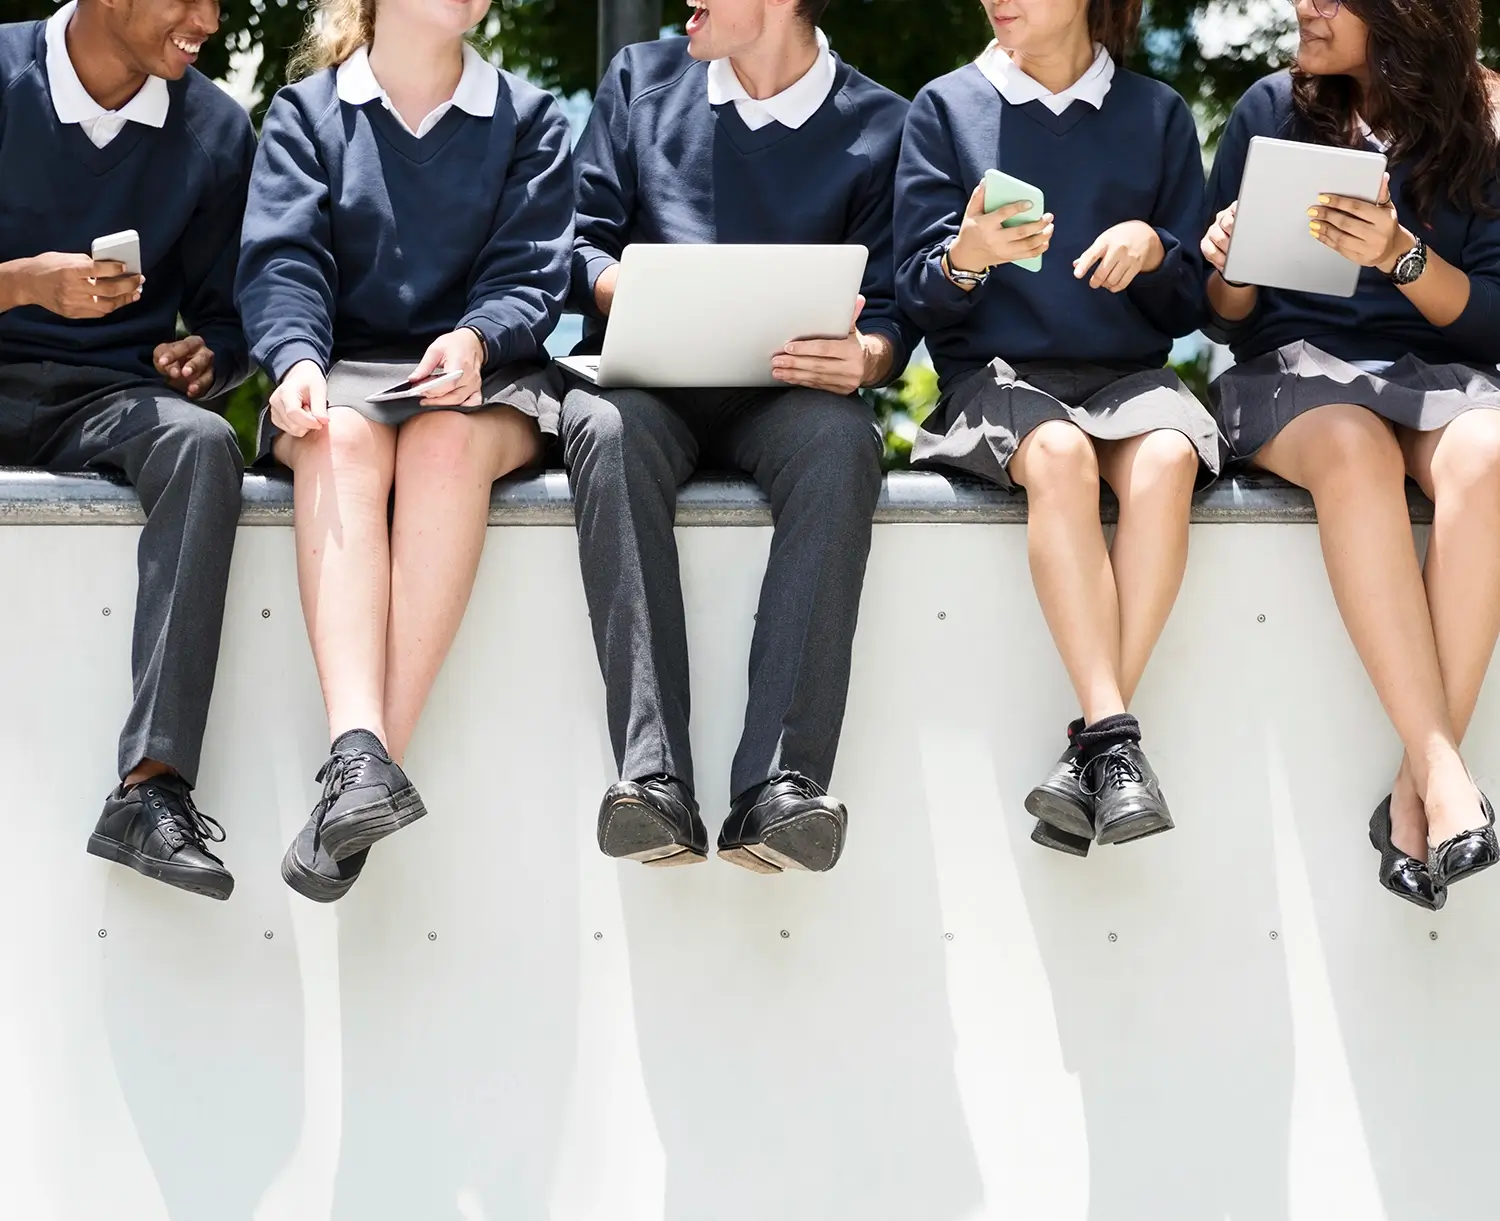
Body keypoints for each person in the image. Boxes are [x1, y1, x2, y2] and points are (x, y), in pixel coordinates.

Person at [562, 0, 917, 874]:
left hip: (786, 395)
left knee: (844, 444)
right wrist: (634, 292)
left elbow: (899, 313)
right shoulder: (639, 82)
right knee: (600, 425)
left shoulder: (882, 124)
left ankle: (779, 787)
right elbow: (578, 246)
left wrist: (865, 357)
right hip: (649, 382)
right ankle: (652, 780)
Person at [236, 0, 573, 901]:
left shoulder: (530, 120)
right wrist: (298, 359)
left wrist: (473, 338)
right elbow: (284, 264)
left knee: (440, 448)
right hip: (345, 373)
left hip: (484, 377)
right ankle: (360, 754)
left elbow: (529, 273)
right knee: (339, 436)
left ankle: (364, 776)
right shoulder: (307, 115)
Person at [895, 0, 1217, 858]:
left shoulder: (1157, 115)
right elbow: (914, 296)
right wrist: (965, 257)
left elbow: (1195, 303)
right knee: (1064, 456)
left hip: (1131, 380)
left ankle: (1096, 750)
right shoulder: (946, 109)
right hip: (995, 379)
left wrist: (1155, 247)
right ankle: (1113, 738)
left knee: (1167, 459)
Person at [1203, 0, 1500, 910]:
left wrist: (1404, 258)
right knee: (1355, 446)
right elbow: (1214, 314)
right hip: (1293, 379)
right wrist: (1232, 265)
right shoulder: (1268, 107)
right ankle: (1446, 775)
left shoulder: (1483, 117)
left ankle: (1414, 793)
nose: (1304, 7)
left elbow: (1491, 316)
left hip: (1437, 374)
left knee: (1490, 452)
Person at [0, 0, 252, 900]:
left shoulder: (217, 129)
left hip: (107, 397)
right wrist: (23, 284)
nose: (207, 21)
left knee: (204, 444)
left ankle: (150, 790)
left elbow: (232, 315)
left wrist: (210, 356)